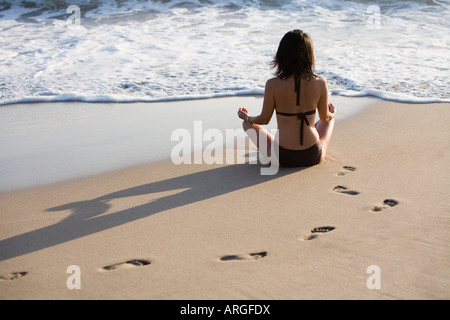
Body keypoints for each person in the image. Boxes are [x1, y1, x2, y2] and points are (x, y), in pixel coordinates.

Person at [238, 30, 336, 167]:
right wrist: (332, 114)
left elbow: (264, 119)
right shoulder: (320, 82)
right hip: (312, 155)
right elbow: (325, 118)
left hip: (282, 156)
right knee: (326, 121)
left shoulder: (272, 84)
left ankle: (271, 138)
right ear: (309, 56)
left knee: (247, 124)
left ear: (282, 55)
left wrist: (247, 118)